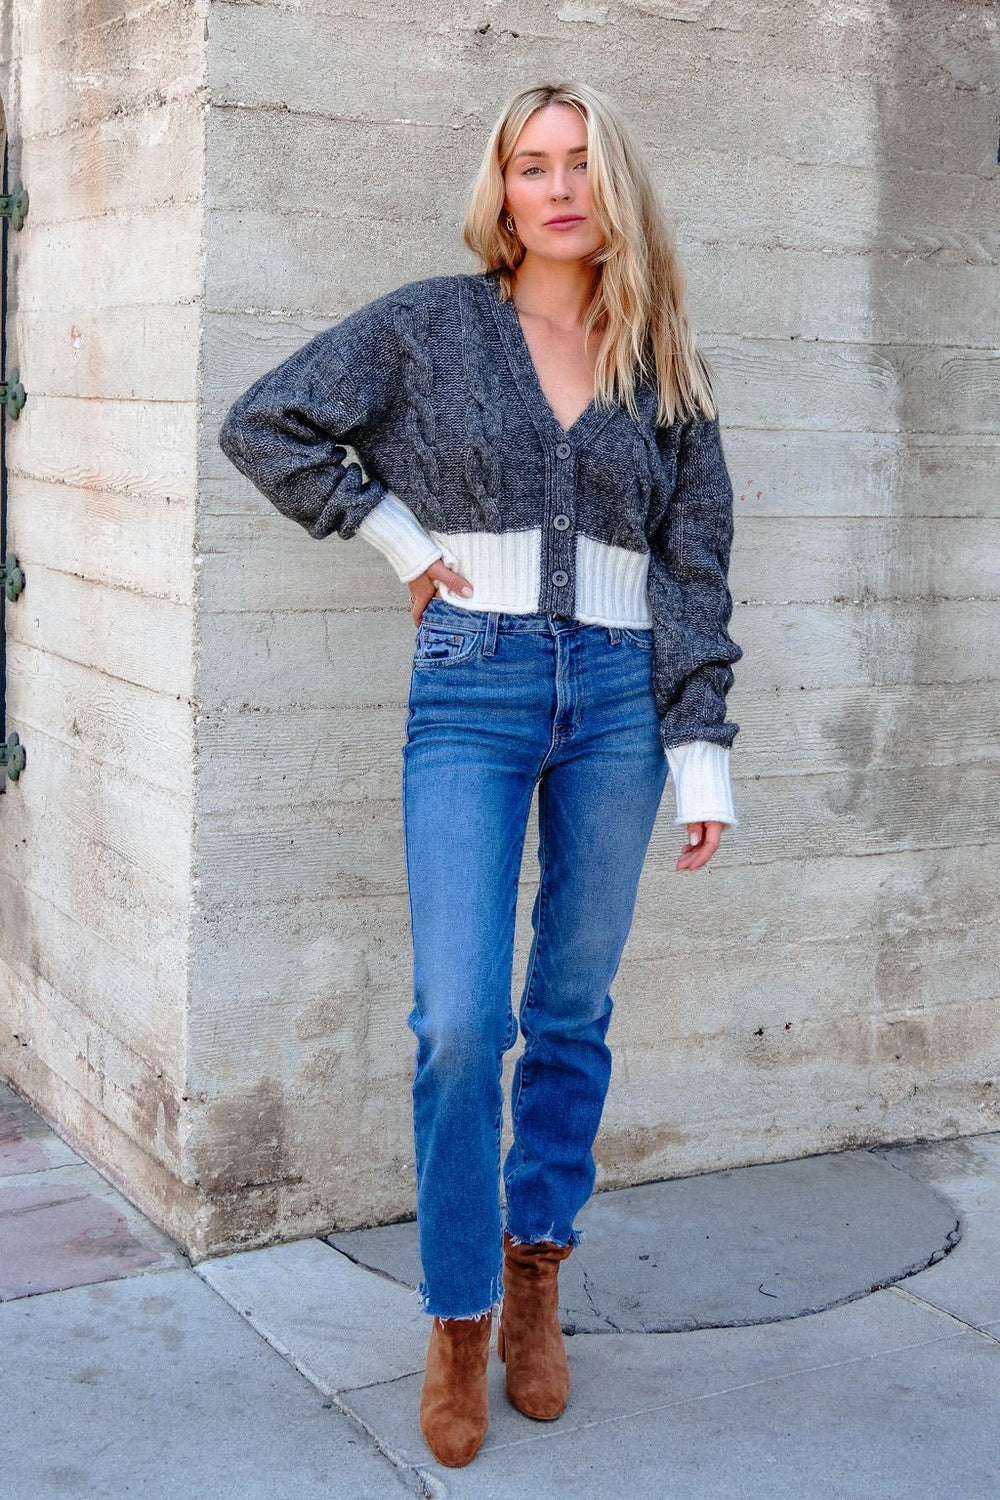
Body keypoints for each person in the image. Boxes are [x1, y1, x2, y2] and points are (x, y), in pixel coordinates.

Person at [218, 79, 742, 1470]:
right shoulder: (433, 326)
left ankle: (534, 1289)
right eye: (531, 165)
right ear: (501, 187)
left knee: (568, 1010)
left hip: (625, 706)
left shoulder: (660, 358)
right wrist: (397, 539)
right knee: (460, 1023)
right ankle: (454, 1319)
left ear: (612, 185)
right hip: (473, 687)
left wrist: (702, 753)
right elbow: (267, 424)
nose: (558, 188)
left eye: (579, 164)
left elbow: (697, 563)